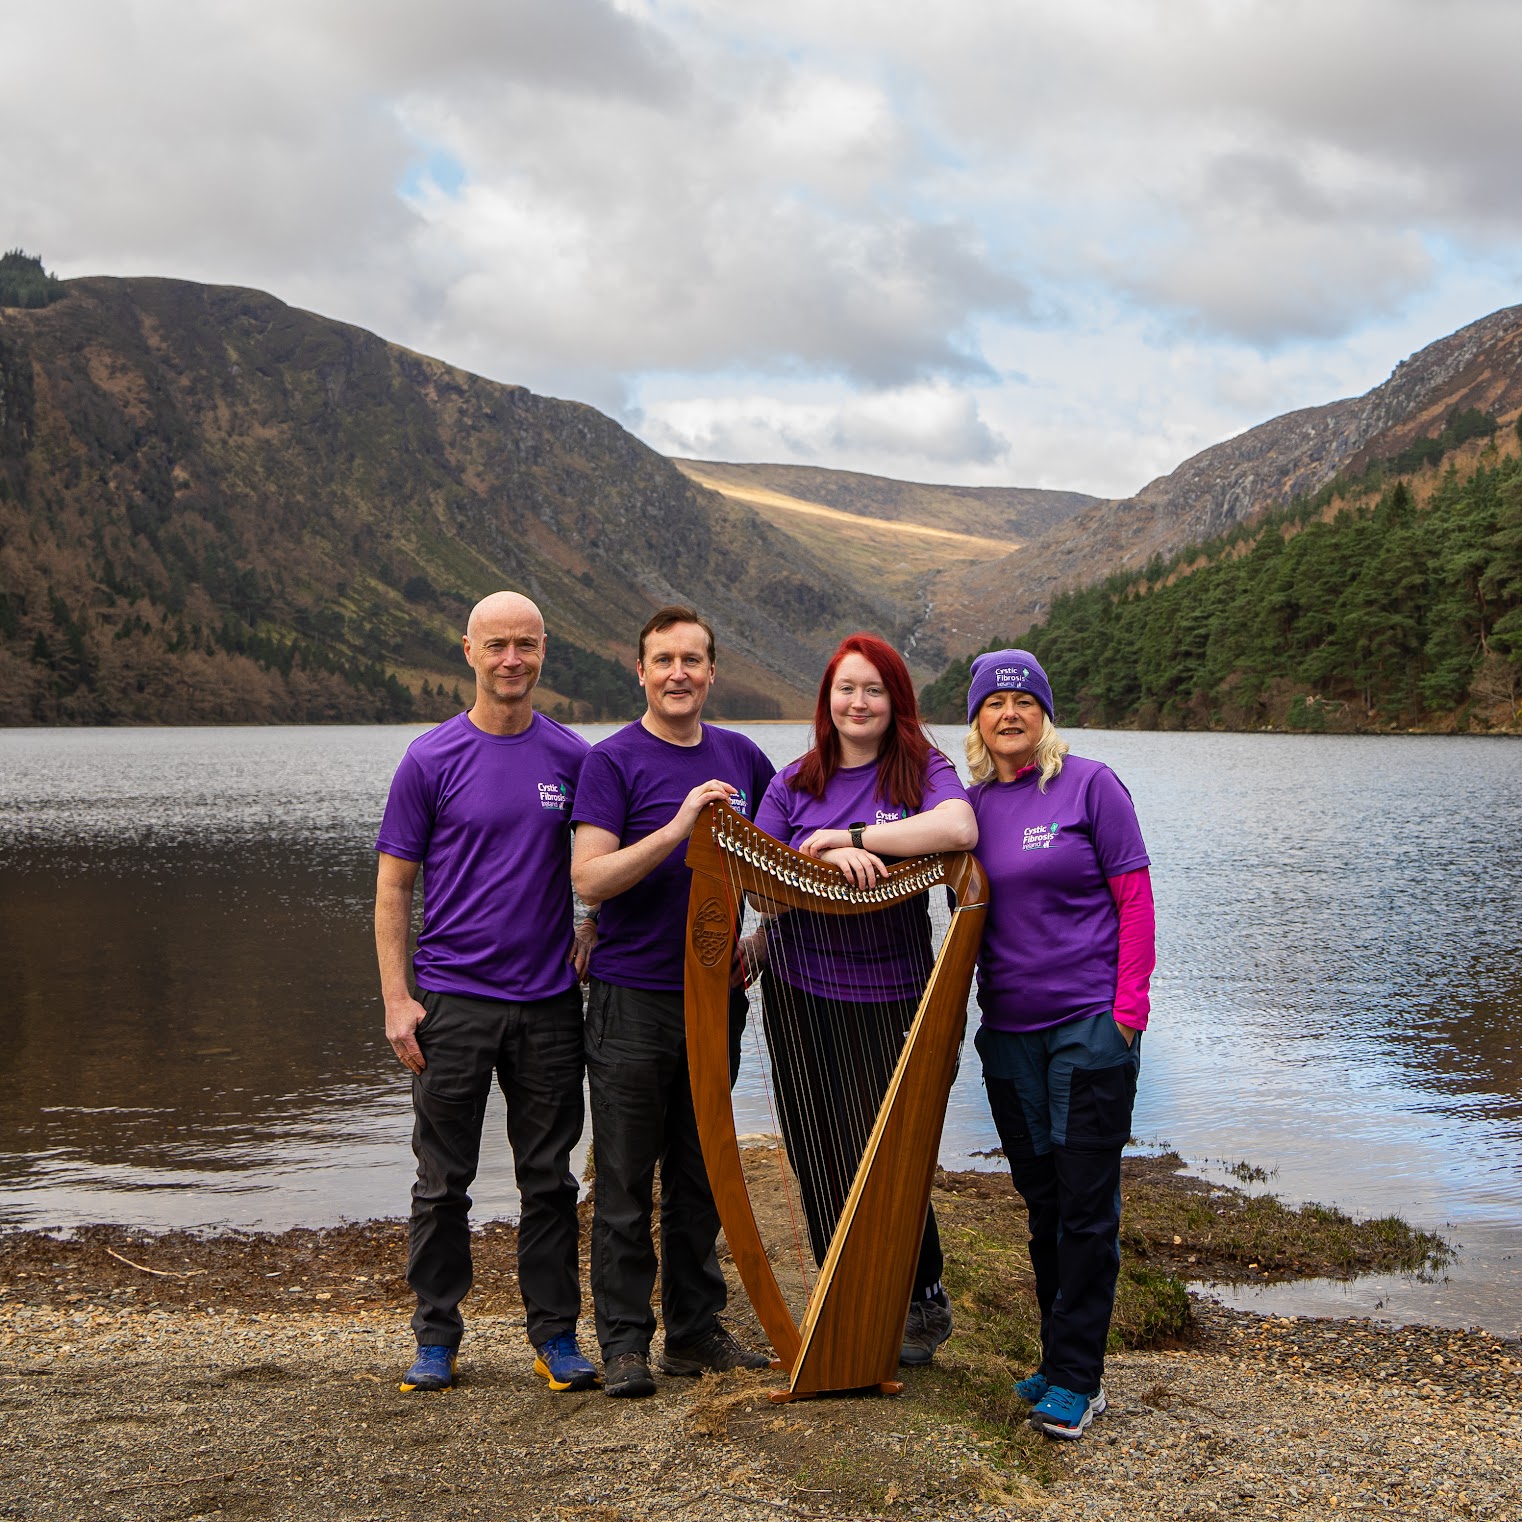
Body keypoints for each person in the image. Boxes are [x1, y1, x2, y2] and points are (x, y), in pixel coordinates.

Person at [374, 591, 599, 1395]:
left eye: (526, 645)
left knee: (550, 1178)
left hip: (547, 1003)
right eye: (497, 644)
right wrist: (398, 1000)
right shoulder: (430, 759)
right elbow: (394, 888)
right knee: (443, 1180)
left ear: (545, 651)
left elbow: (605, 860)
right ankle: (436, 1336)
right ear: (467, 650)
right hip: (451, 1003)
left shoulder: (574, 759)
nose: (513, 659)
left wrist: (593, 923)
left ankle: (556, 1337)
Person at [748, 632, 978, 1367]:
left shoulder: (924, 771)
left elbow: (960, 827)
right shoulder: (792, 782)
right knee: (819, 1147)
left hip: (894, 991)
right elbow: (757, 888)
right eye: (846, 688)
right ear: (827, 700)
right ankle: (842, 1291)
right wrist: (812, 855)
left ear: (895, 702)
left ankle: (920, 1296)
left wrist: (849, 835)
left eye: (873, 689)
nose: (858, 702)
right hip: (800, 990)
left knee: (891, 1146)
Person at [570, 605, 777, 1398]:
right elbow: (590, 878)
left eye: (692, 659)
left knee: (703, 1175)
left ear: (712, 670)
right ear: (642, 670)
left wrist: (763, 940)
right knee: (624, 1177)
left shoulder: (744, 756)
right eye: (664, 660)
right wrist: (682, 823)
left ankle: (695, 1335)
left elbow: (775, 865)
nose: (679, 673)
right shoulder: (612, 761)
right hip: (630, 1000)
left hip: (715, 1004)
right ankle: (624, 1342)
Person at [964, 649, 1154, 1440]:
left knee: (1085, 1208)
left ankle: (1081, 1378)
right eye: (994, 702)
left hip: (1088, 1029)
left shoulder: (1090, 785)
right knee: (1043, 1206)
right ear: (975, 720)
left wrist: (1127, 1016)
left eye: (1024, 700)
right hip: (1008, 1035)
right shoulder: (971, 807)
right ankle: (1056, 1358)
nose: (1010, 713)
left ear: (1045, 712)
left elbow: (1135, 900)